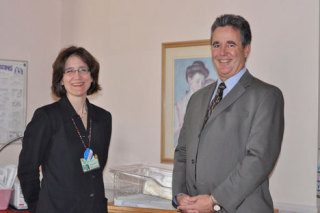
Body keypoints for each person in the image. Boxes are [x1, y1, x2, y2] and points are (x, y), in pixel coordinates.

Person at [172, 14, 284, 213]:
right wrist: (180, 195)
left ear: (246, 49)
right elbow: (182, 152)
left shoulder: (266, 96)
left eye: (231, 44)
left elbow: (258, 160)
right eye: (216, 45)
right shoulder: (197, 99)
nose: (222, 52)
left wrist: (214, 200)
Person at [18, 46, 112, 213]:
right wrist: (37, 207)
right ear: (61, 79)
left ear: (92, 77)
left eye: (83, 69)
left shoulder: (103, 118)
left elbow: (96, 169)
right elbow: (27, 169)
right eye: (69, 71)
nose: (77, 76)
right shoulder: (46, 117)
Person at [174, 61, 210, 147]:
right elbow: (174, 139)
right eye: (197, 81)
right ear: (190, 80)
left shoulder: (207, 105)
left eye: (203, 82)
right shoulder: (178, 107)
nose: (200, 86)